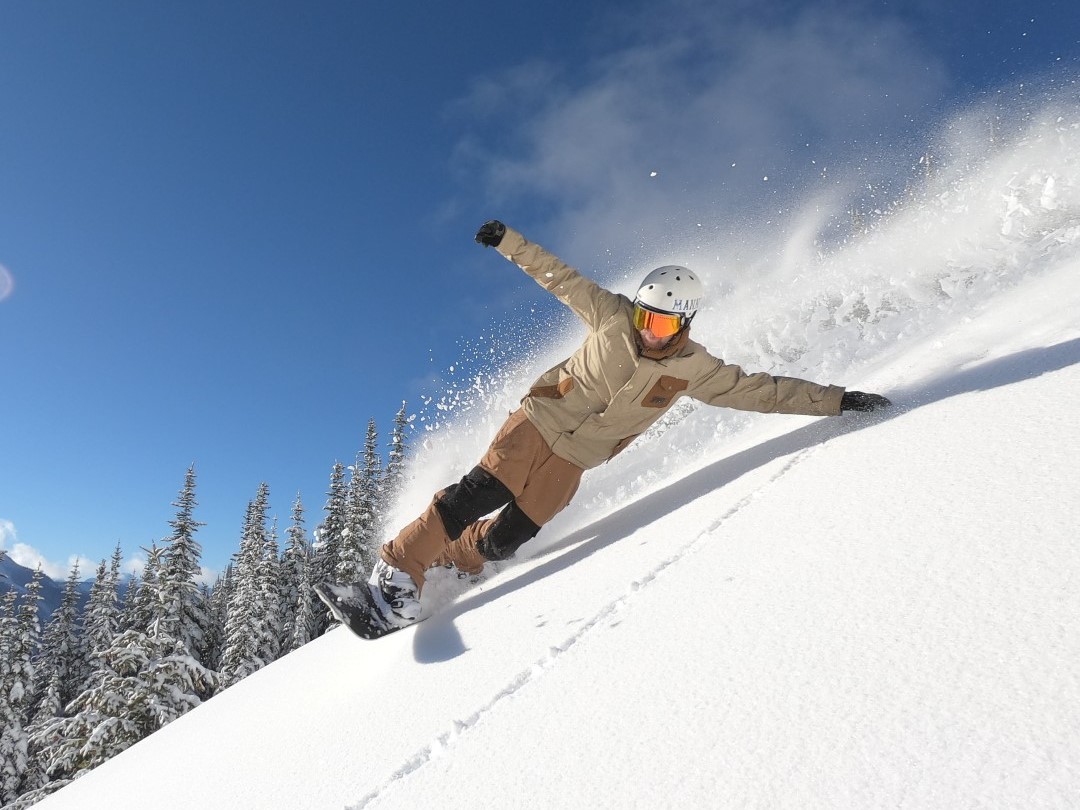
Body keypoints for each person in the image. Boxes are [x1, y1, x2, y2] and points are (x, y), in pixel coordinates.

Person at [367, 221, 891, 626]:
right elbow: (557, 276)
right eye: (645, 316)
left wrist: (837, 401)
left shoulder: (695, 370)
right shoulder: (610, 314)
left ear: (684, 323)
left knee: (507, 539)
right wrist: (508, 241)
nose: (650, 331)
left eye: (662, 323)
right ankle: (395, 572)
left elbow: (761, 391)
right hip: (538, 422)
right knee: (475, 494)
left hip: (575, 460)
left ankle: (454, 560)